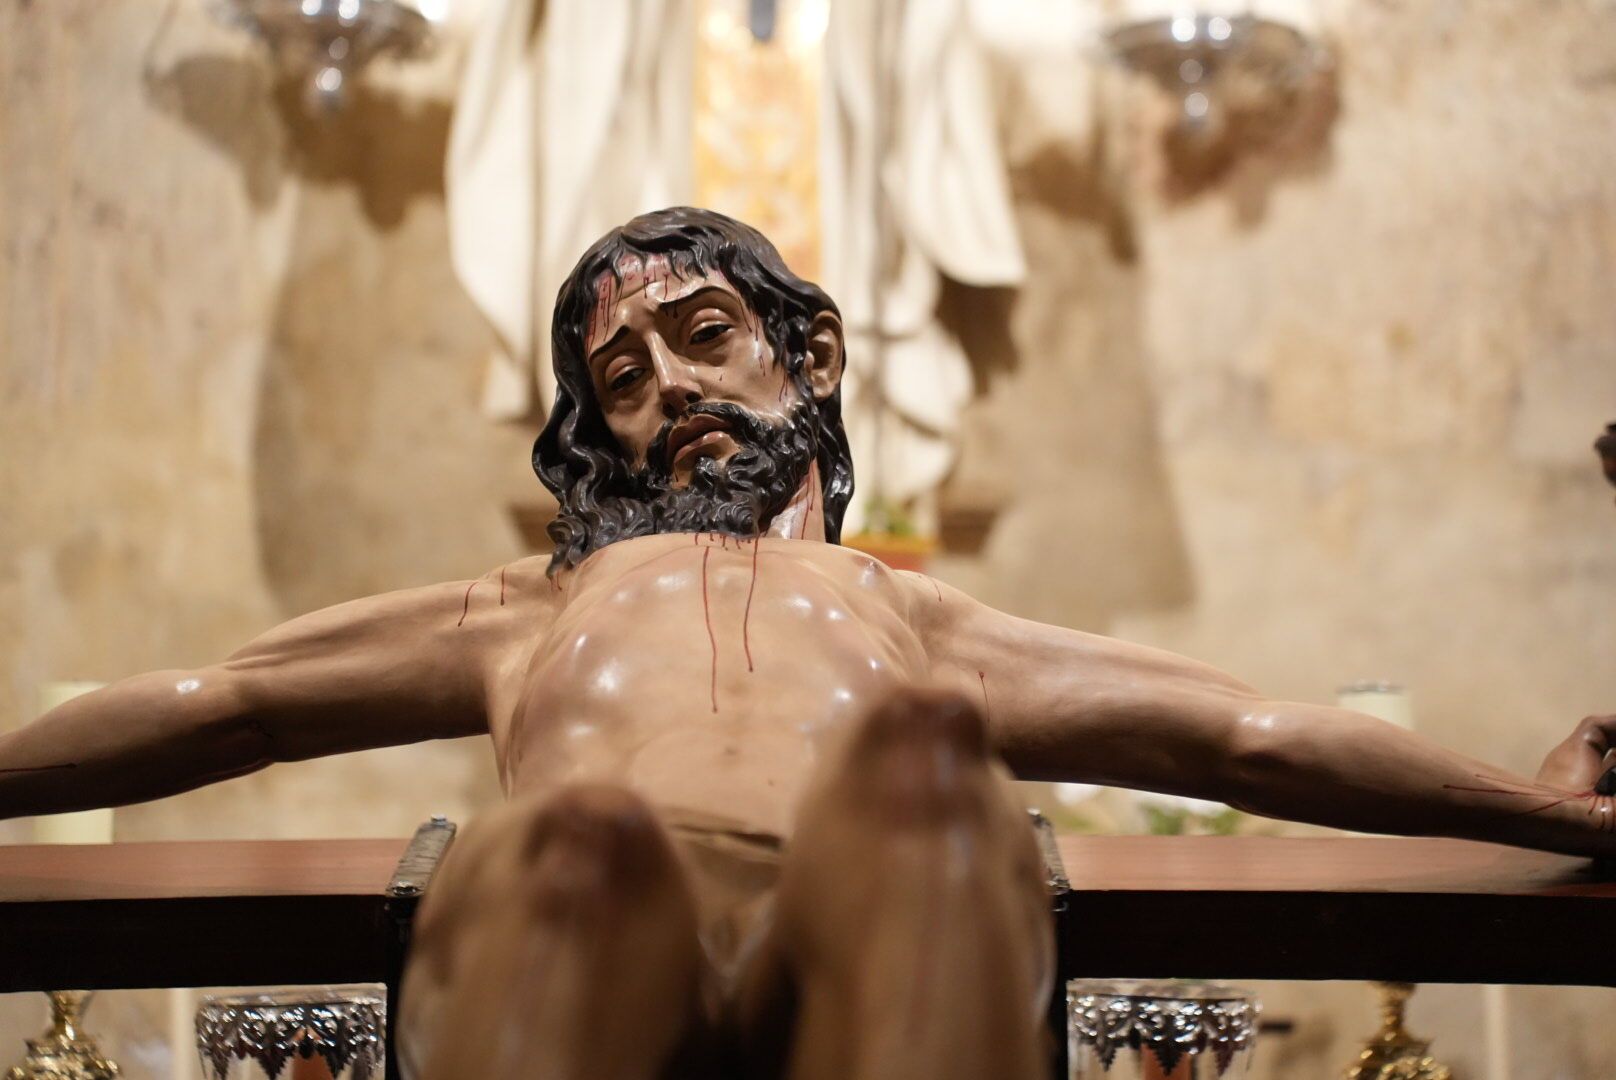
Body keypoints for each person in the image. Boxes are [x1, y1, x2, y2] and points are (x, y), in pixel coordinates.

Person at [3, 207, 1611, 1080]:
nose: (672, 389)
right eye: (624, 377)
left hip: (861, 914)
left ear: (808, 351)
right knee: (567, 845)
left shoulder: (917, 617)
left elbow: (1250, 736)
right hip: (607, 913)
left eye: (702, 335)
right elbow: (228, 703)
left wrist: (1542, 812)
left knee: (929, 790)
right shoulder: (533, 602)